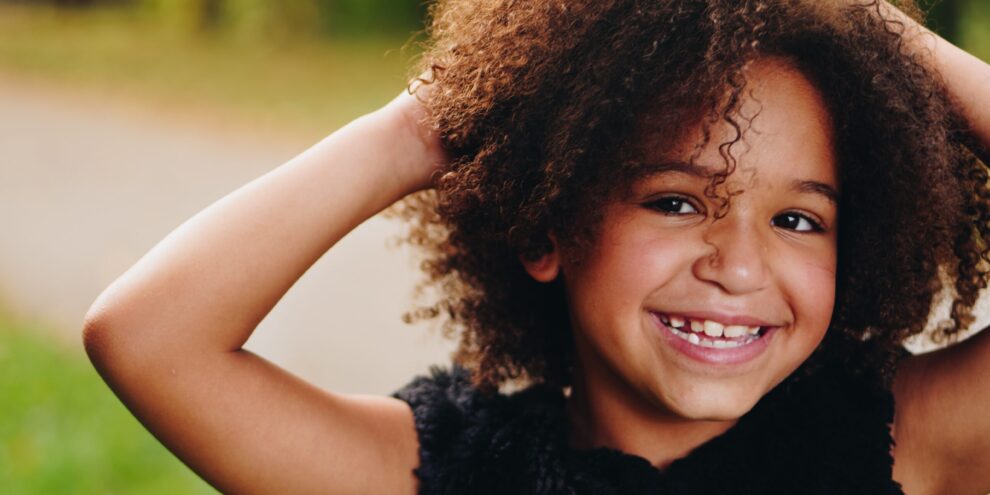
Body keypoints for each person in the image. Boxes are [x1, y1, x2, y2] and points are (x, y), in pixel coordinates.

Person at [82, 0, 990, 493]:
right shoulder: (437, 474)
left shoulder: (905, 446)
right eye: (676, 201)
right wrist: (429, 125)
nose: (740, 266)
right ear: (543, 227)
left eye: (798, 220)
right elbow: (147, 337)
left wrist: (865, 22)